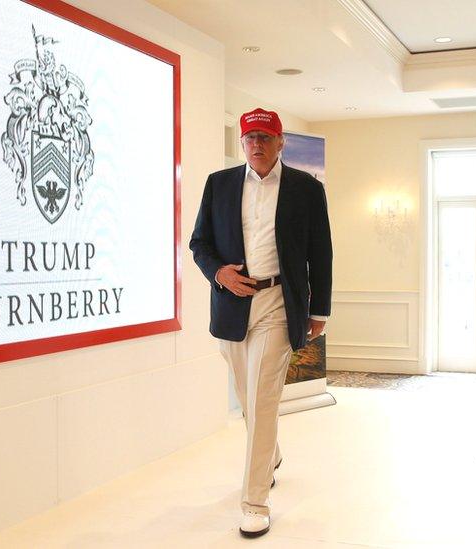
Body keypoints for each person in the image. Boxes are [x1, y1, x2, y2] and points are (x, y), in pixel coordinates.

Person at [189, 108, 333, 538]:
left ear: (280, 141)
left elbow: (320, 252)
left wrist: (318, 310)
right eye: (250, 136)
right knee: (248, 393)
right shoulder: (220, 184)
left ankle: (255, 500)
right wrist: (219, 273)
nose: (256, 144)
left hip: (278, 303)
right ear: (242, 140)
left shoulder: (306, 189)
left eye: (265, 137)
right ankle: (269, 454)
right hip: (233, 305)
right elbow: (200, 243)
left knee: (263, 397)